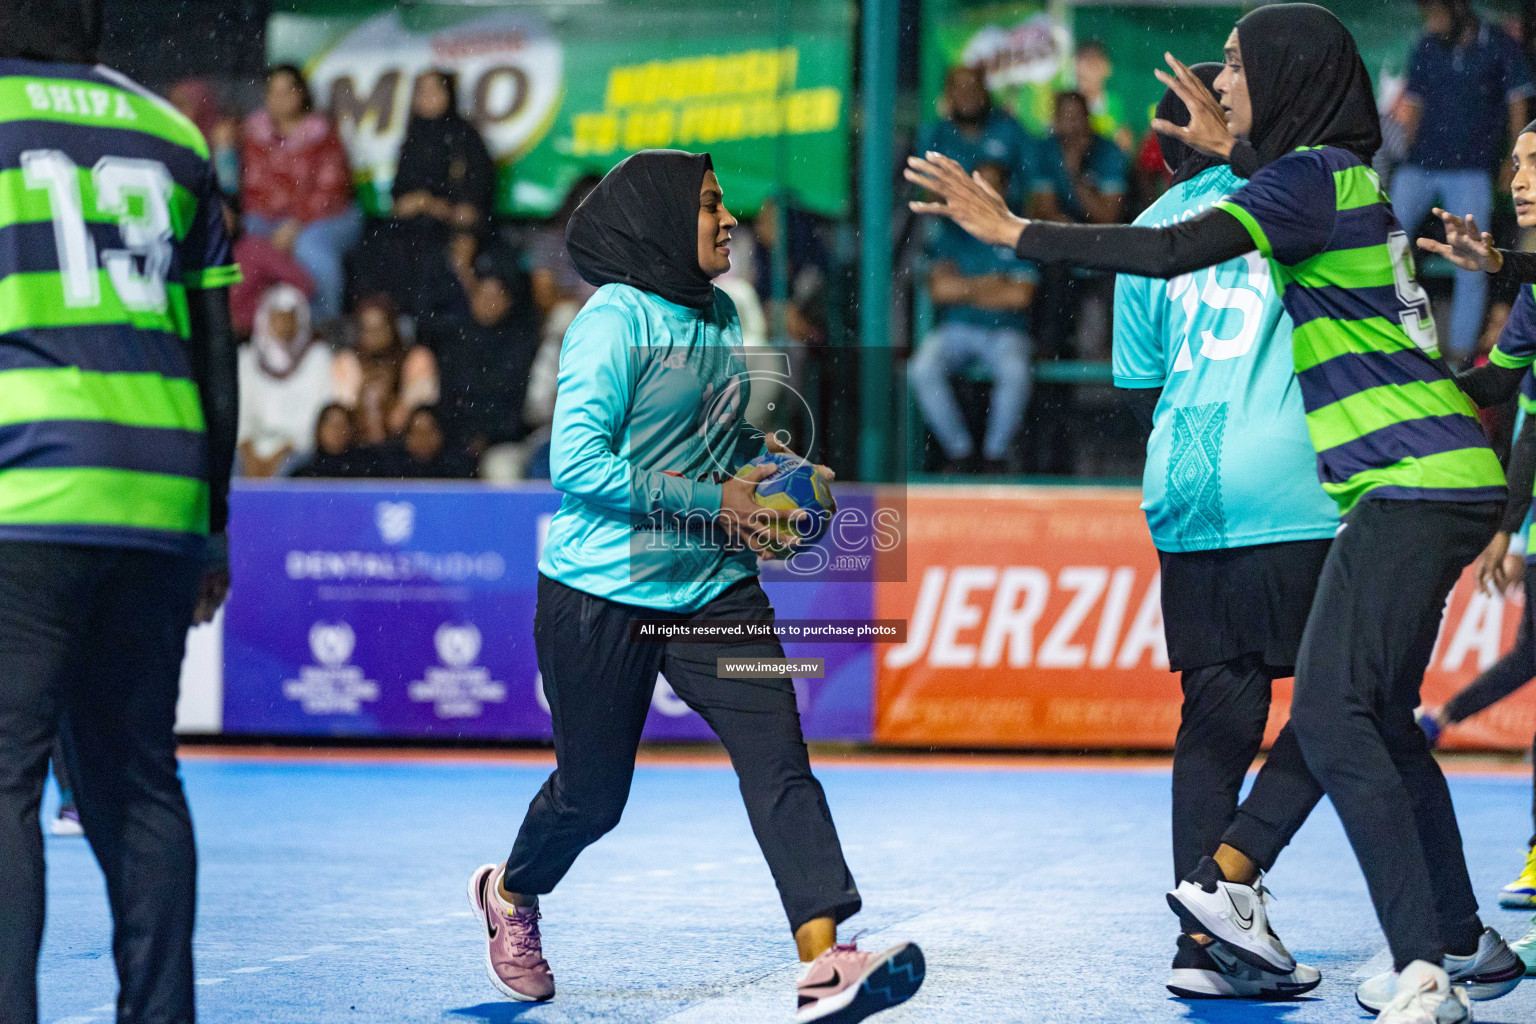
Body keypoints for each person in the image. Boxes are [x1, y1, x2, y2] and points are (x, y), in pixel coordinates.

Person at [907, 5, 1521, 1021]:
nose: (1222, 83)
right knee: (1350, 713)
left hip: (1378, 485)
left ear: (1285, 78)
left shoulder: (1302, 184)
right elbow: (1265, 192)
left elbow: (1171, 257)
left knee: (1308, 714)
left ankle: (1349, 938)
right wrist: (1232, 147)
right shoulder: (1339, 180)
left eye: (1235, 68)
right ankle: (1419, 941)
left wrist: (1016, 230)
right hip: (1387, 483)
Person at [467, 149, 924, 1023]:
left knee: (779, 762)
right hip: (599, 592)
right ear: (660, 222)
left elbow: (720, 444)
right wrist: (717, 499)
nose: (730, 220)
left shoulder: (717, 313)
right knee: (592, 798)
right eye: (712, 204)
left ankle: (827, 961)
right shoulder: (610, 322)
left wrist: (778, 475)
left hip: (715, 586)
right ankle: (512, 893)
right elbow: (578, 463)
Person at [0, 4, 240, 1021]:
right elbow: (214, 354)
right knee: (140, 779)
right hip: (160, 489)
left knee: (7, 776)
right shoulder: (171, 133)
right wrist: (213, 524)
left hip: (25, 486)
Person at [1113, 63, 1334, 1001]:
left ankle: (1201, 949)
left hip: (1187, 485)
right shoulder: (1306, 197)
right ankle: (1225, 884)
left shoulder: (1147, 230)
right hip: (1292, 483)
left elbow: (1146, 381)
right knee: (1348, 703)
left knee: (1216, 721)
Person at [1390, 0, 1534, 363]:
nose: (1430, 20)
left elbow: (1517, 99)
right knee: (1385, 245)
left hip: (1471, 169)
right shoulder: (1426, 44)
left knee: (1471, 261)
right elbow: (1415, 104)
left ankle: (1459, 355)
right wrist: (1405, 152)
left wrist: (1514, 159)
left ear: (1455, 8)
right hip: (1420, 165)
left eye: (1435, 12)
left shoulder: (1497, 43)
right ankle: (1385, 340)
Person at [908, 161, 1036, 475]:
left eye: (991, 186)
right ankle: (960, 453)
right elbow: (940, 291)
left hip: (1006, 332)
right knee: (922, 368)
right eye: (978, 186)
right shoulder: (952, 231)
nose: (983, 194)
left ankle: (995, 457)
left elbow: (1020, 296)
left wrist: (965, 287)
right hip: (957, 329)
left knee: (1016, 372)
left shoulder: (1018, 229)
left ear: (1005, 191)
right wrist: (995, 283)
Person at [241, 64, 361, 322]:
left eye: (287, 91)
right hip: (272, 219)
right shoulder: (254, 135)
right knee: (249, 241)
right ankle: (252, 324)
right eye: (273, 92)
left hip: (328, 215)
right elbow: (251, 191)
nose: (280, 98)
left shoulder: (323, 134)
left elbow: (331, 191)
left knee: (312, 247)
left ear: (302, 94)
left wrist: (294, 224)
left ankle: (325, 323)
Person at [426, 257, 540, 464]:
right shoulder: (456, 340)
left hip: (505, 442)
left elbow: (517, 403)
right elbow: (448, 397)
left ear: (508, 301)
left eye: (495, 296)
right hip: (456, 440)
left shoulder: (522, 343)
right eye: (482, 295)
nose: (488, 303)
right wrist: (464, 436)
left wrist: (488, 437)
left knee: (501, 467)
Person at [237, 284, 333, 478]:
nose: (283, 325)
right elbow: (241, 415)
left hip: (298, 450)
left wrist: (281, 454)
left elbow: (318, 416)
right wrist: (248, 450)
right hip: (249, 449)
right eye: (277, 317)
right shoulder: (246, 358)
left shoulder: (318, 357)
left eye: (289, 317)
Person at [916, 64, 1035, 205]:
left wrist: (996, 183)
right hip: (953, 223)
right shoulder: (935, 134)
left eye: (973, 86)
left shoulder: (1009, 128)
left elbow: (1035, 187)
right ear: (949, 94)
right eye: (960, 88)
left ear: (984, 91)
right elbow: (930, 197)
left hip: (1006, 220)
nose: (967, 94)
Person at [332, 293, 439, 445]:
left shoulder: (417, 359)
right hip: (357, 448)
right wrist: (366, 406)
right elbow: (340, 420)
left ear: (392, 327)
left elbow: (417, 417)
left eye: (380, 328)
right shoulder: (346, 362)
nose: (374, 336)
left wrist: (387, 401)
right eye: (368, 330)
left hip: (404, 448)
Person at [1074, 39, 1134, 155]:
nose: (1092, 65)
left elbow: (1126, 146)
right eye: (1086, 59)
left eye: (1097, 59)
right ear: (1077, 66)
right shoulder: (1068, 103)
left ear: (1108, 67)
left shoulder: (1116, 103)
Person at [290, 403, 362, 479]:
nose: (337, 430)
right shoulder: (304, 467)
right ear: (320, 429)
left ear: (351, 430)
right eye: (331, 425)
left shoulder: (363, 466)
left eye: (342, 424)